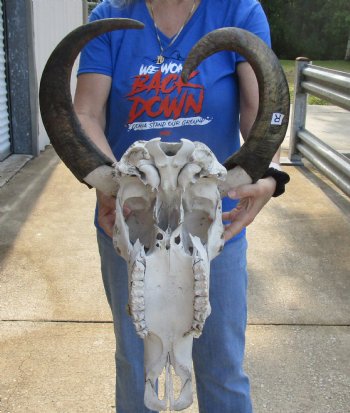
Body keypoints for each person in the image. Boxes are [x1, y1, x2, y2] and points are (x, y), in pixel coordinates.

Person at [74, 0, 284, 412]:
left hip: (211, 222)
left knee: (222, 366)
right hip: (131, 219)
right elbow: (85, 112)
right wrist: (110, 187)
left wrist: (271, 175)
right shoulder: (107, 18)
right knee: (138, 368)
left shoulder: (239, 11)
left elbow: (261, 110)